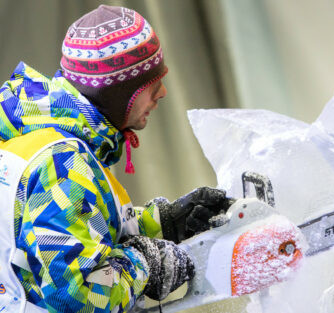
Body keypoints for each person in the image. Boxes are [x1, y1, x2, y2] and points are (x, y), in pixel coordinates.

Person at [0, 5, 232, 313]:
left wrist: (164, 222)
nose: (162, 92)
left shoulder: (48, 138)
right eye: (151, 84)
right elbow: (79, 294)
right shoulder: (61, 164)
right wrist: (144, 263)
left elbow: (81, 225)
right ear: (119, 91)